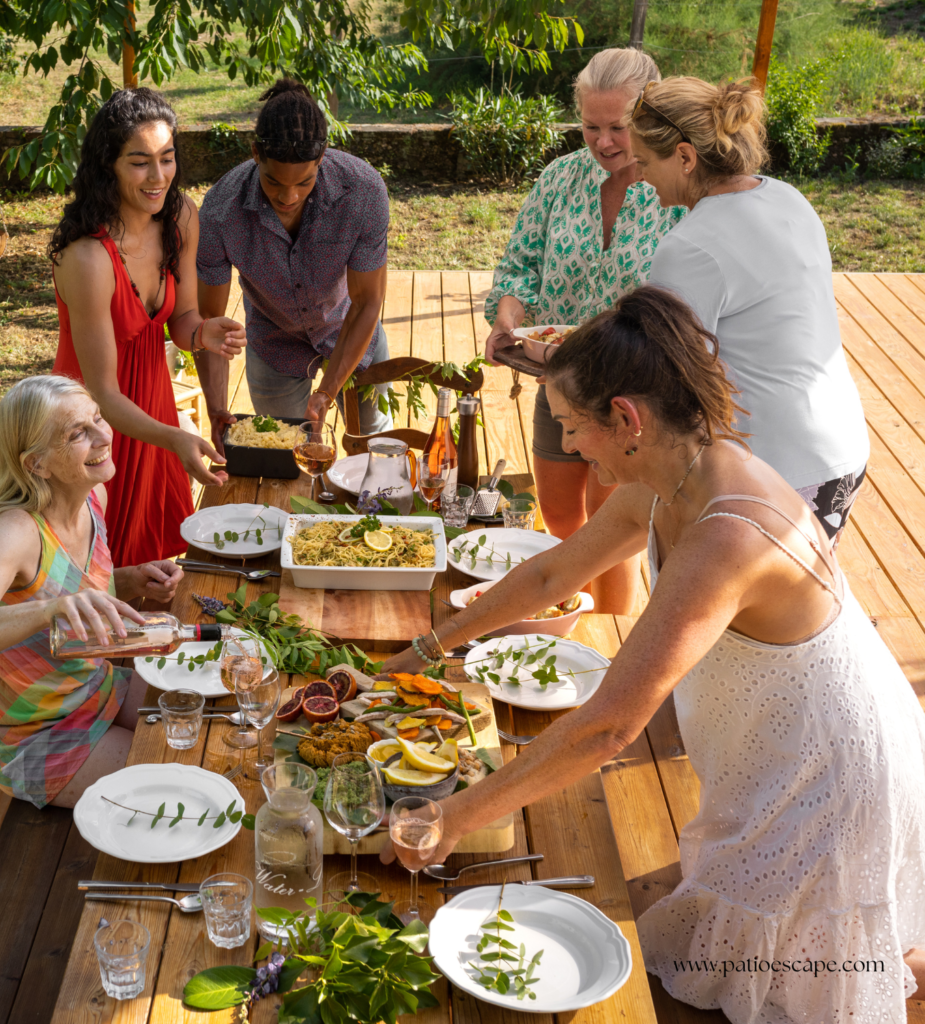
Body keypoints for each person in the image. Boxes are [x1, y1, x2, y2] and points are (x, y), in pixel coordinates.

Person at [381, 287, 925, 1021]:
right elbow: (550, 574)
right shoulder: (672, 475)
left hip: (828, 767)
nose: (569, 444)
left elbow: (609, 729)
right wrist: (419, 651)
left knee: (800, 981)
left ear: (626, 419)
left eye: (573, 426)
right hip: (773, 748)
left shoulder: (728, 531)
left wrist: (452, 819)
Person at [484, 47, 686, 614]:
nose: (603, 142)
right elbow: (519, 266)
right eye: (590, 126)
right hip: (561, 377)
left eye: (618, 127)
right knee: (561, 515)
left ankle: (612, 637)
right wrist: (508, 315)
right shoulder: (558, 180)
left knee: (611, 529)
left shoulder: (674, 190)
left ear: (648, 117)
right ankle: (568, 633)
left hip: (633, 390)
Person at [633, 76, 870, 545]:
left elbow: (667, 379)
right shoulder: (787, 197)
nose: (639, 176)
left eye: (643, 161)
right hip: (840, 446)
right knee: (794, 609)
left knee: (745, 617)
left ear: (684, 157)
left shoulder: (689, 248)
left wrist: (573, 373)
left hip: (779, 465)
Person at [0, 376, 183, 809]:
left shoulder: (93, 495)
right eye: (77, 434)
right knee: (174, 782)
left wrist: (128, 578)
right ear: (37, 465)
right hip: (33, 735)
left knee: (197, 718)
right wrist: (50, 610)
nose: (104, 435)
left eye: (98, 418)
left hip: (96, 687)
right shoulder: (16, 531)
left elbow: (66, 584)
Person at [50, 88, 245, 568]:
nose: (158, 177)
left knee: (157, 570)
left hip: (151, 405)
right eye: (140, 162)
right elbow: (102, 393)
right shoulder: (88, 257)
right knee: (96, 573)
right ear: (108, 165)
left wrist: (202, 334)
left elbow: (181, 318)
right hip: (90, 423)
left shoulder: (180, 219)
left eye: (167, 157)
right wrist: (176, 436)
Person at [194, 78, 392, 454]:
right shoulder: (221, 211)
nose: (288, 196)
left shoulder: (364, 192)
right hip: (273, 342)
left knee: (375, 448)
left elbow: (367, 303)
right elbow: (209, 322)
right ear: (255, 153)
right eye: (273, 181)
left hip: (350, 328)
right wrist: (217, 406)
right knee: (285, 457)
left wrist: (328, 391)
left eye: (304, 182)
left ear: (322, 157)